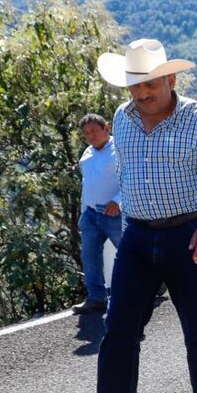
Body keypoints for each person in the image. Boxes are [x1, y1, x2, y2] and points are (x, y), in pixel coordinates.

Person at [83, 39, 197, 393]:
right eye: (134, 86)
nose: (142, 94)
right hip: (136, 235)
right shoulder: (122, 117)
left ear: (171, 78)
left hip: (189, 236)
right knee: (118, 329)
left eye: (150, 84)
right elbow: (127, 173)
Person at [72, 114, 123, 314]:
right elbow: (87, 184)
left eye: (94, 130)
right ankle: (96, 297)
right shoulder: (87, 153)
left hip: (114, 214)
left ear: (106, 127)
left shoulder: (119, 150)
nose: (90, 136)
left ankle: (153, 284)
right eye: (86, 133)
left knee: (130, 253)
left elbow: (131, 179)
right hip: (92, 213)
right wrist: (84, 211)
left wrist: (117, 202)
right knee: (90, 255)